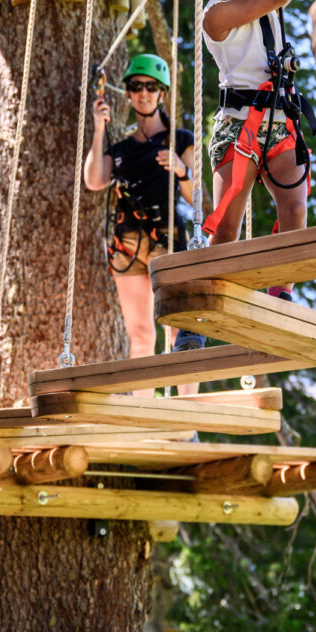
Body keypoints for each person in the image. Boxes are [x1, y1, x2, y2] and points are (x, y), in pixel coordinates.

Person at [182, 0, 315, 300]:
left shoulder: (267, 1)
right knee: (227, 227)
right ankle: (205, 301)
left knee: (295, 209)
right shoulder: (215, 17)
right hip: (238, 129)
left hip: (280, 123)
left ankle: (281, 292)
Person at [83, 54, 205, 391]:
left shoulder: (180, 139)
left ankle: (187, 411)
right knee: (139, 335)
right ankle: (143, 407)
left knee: (178, 330)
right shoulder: (122, 148)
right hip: (127, 244)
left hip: (167, 239)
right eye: (136, 87)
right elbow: (94, 180)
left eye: (151, 87)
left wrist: (182, 171)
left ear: (161, 93)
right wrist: (99, 129)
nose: (143, 93)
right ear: (128, 93)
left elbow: (199, 201)